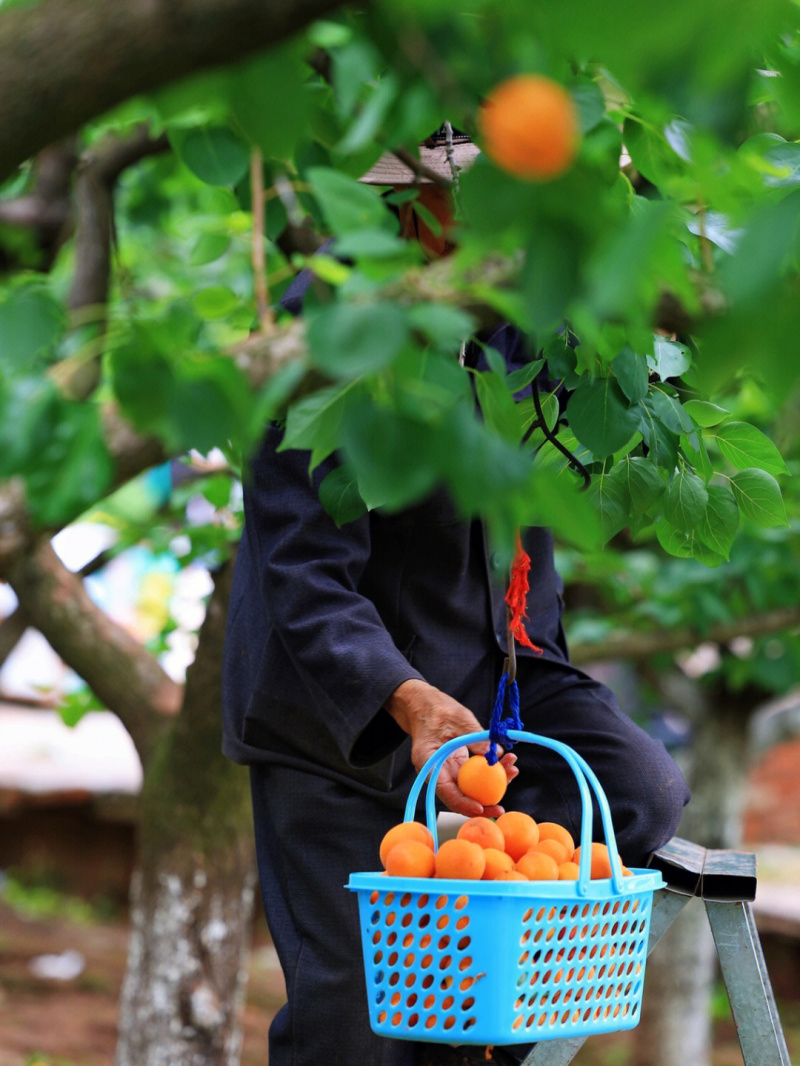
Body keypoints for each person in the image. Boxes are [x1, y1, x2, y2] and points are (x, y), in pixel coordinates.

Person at [222, 127, 690, 1066]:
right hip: (343, 715)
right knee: (351, 1018)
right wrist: (415, 706)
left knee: (633, 790)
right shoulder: (331, 334)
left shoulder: (518, 325)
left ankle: (475, 1039)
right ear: (407, 210)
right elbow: (307, 577)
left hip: (495, 678)